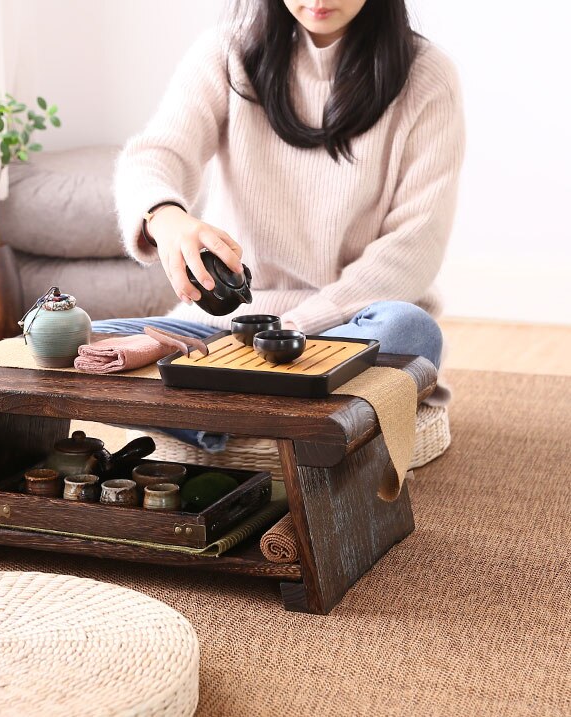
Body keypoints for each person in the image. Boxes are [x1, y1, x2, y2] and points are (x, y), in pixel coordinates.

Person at [94, 0, 465, 449]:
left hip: (344, 329)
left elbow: (413, 248)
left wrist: (294, 328)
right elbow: (155, 155)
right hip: (226, 336)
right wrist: (165, 216)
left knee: (409, 329)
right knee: (85, 341)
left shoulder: (427, 76)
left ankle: (220, 418)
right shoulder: (228, 52)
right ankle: (288, 419)